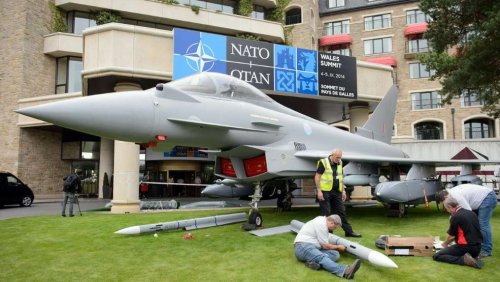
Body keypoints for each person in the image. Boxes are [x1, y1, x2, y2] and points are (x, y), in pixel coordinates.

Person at [436, 184, 497, 257]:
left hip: (487, 197)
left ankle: (486, 250)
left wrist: (454, 219)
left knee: (483, 224)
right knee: (475, 224)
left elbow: (468, 212)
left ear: (445, 197)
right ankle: (475, 244)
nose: (445, 205)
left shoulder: (456, 196)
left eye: (444, 202)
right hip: (483, 198)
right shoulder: (451, 194)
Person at [294, 215, 361, 279]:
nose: (334, 229)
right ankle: (345, 272)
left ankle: (313, 264)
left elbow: (324, 243)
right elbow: (325, 246)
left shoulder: (322, 220)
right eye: (335, 227)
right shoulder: (321, 225)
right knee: (321, 257)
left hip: (311, 247)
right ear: (332, 223)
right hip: (302, 247)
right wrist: (338, 247)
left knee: (335, 254)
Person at [315, 148, 361, 238]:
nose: (338, 159)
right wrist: (319, 190)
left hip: (337, 191)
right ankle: (328, 234)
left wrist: (343, 190)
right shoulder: (323, 162)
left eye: (340, 157)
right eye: (337, 157)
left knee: (342, 212)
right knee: (326, 213)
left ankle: (349, 232)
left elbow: (340, 178)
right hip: (325, 191)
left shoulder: (340, 162)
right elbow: (317, 177)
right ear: (332, 155)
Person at [433, 197, 484, 268]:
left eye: (446, 209)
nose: (447, 211)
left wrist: (444, 244)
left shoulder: (455, 216)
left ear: (450, 207)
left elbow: (451, 236)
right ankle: (474, 257)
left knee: (437, 256)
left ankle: (465, 261)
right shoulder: (471, 213)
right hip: (478, 246)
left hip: (466, 247)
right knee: (453, 249)